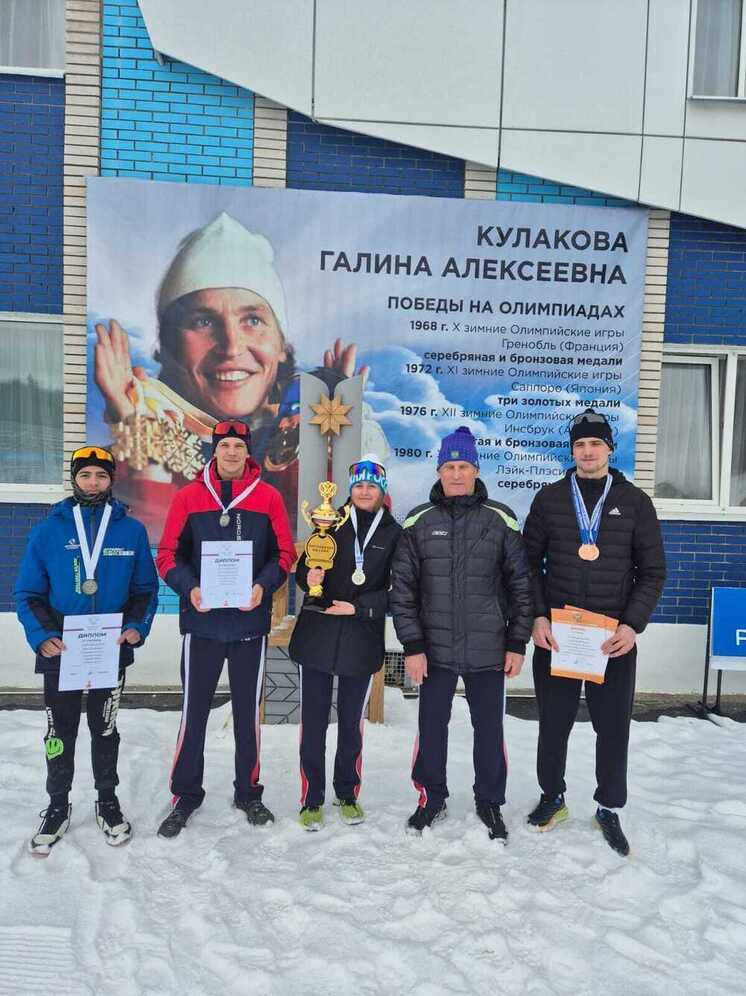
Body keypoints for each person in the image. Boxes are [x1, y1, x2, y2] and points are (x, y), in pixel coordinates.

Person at [93, 212, 370, 540]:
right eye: (203, 321)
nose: (231, 346)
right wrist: (142, 443)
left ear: (281, 345)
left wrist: (328, 444)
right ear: (168, 345)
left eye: (252, 320)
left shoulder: (294, 432)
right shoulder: (117, 464)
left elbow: (342, 539)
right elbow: (150, 547)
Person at [522, 408, 666, 856]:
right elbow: (526, 566)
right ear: (572, 450)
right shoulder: (549, 500)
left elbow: (653, 571)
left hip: (611, 638)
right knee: (554, 723)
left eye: (596, 444)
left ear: (609, 449)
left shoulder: (635, 501)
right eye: (580, 445)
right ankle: (553, 797)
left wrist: (632, 625)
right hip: (560, 635)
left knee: (612, 727)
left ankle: (608, 806)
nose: (588, 452)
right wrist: (538, 617)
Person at [390, 426, 533, 841]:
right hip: (432, 650)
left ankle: (490, 801)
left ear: (476, 469)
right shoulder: (418, 521)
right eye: (449, 467)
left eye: (463, 466)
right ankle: (431, 797)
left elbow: (521, 586)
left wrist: (516, 643)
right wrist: (412, 646)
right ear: (439, 471)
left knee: (489, 728)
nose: (456, 474)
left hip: (489, 647)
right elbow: (403, 590)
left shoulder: (501, 519)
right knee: (432, 726)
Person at [15, 445, 159, 855]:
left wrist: (136, 627)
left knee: (106, 728)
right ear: (74, 479)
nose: (93, 483)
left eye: (100, 475)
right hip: (60, 649)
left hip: (109, 648)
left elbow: (145, 591)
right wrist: (42, 635)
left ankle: (107, 801)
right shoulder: (48, 531)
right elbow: (27, 593)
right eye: (85, 475)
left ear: (112, 480)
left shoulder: (130, 531)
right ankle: (57, 805)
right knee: (58, 731)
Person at [155, 420, 296, 838]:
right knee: (193, 715)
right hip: (201, 626)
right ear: (214, 451)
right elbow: (166, 555)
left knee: (247, 716)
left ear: (247, 451)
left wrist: (262, 585)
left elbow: (284, 554)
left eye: (238, 445)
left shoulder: (268, 498)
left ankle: (248, 791)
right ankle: (185, 794)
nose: (232, 452)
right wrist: (190, 587)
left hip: (249, 625)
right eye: (225, 445)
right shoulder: (188, 497)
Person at [289, 455, 401, 830]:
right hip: (317, 635)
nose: (364, 491)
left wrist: (357, 608)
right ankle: (311, 798)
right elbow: (305, 575)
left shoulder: (394, 533)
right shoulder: (328, 524)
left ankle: (348, 792)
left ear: (382, 491)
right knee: (314, 721)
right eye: (358, 485)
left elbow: (398, 591)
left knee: (352, 722)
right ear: (350, 489)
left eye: (371, 486)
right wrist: (310, 574)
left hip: (360, 638)